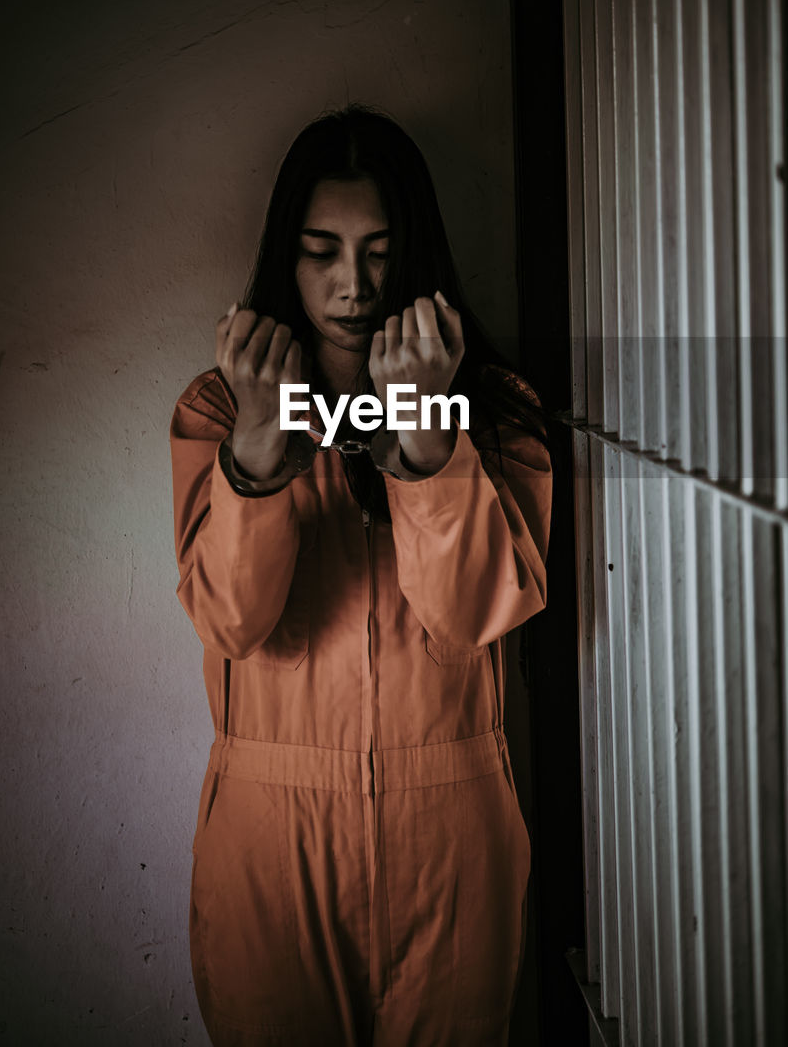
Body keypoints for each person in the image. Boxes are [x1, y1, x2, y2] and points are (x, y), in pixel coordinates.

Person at [170, 106, 553, 1046]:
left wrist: (426, 437)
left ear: (416, 254)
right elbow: (231, 623)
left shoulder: (495, 409)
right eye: (321, 252)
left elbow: (470, 620)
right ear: (284, 257)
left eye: (380, 253)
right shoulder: (217, 408)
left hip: (452, 824)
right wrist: (258, 453)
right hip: (271, 829)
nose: (353, 287)